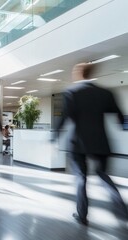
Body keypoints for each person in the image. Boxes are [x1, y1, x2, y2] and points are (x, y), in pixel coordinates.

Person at [55, 62, 128, 226]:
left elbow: (65, 117)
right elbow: (119, 116)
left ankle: (82, 215)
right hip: (100, 141)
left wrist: (54, 136)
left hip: (78, 142)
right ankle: (123, 210)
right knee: (103, 175)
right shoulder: (105, 93)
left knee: (81, 178)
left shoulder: (71, 92)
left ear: (79, 73)